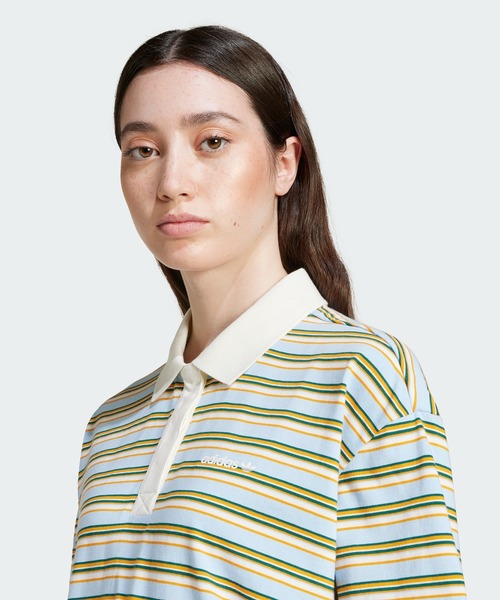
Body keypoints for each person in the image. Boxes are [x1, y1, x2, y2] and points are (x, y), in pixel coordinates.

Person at [68, 24, 467, 599]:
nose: (172, 182)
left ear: (285, 162)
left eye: (212, 141)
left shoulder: (362, 379)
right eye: (143, 150)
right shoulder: (110, 426)